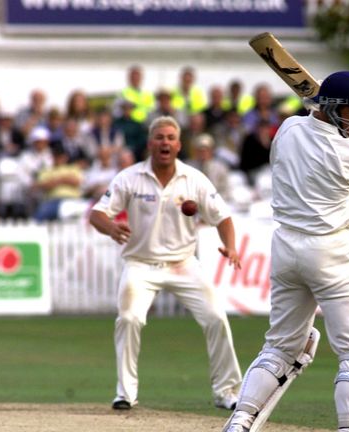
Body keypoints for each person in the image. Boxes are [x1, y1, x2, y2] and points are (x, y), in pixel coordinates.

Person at [223, 71, 349, 432]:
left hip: (286, 249)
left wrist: (328, 115)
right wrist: (344, 128)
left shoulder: (287, 129)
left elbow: (310, 126)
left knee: (281, 348)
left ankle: (240, 422)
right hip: (331, 251)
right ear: (330, 107)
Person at [88, 116, 243, 411]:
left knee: (216, 318)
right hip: (140, 264)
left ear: (179, 144)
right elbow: (98, 213)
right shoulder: (129, 177)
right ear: (150, 143)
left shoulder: (194, 179)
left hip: (183, 263)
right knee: (130, 319)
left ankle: (227, 392)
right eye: (160, 137)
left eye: (171, 138)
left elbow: (222, 217)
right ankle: (125, 393)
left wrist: (231, 246)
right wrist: (110, 228)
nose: (165, 142)